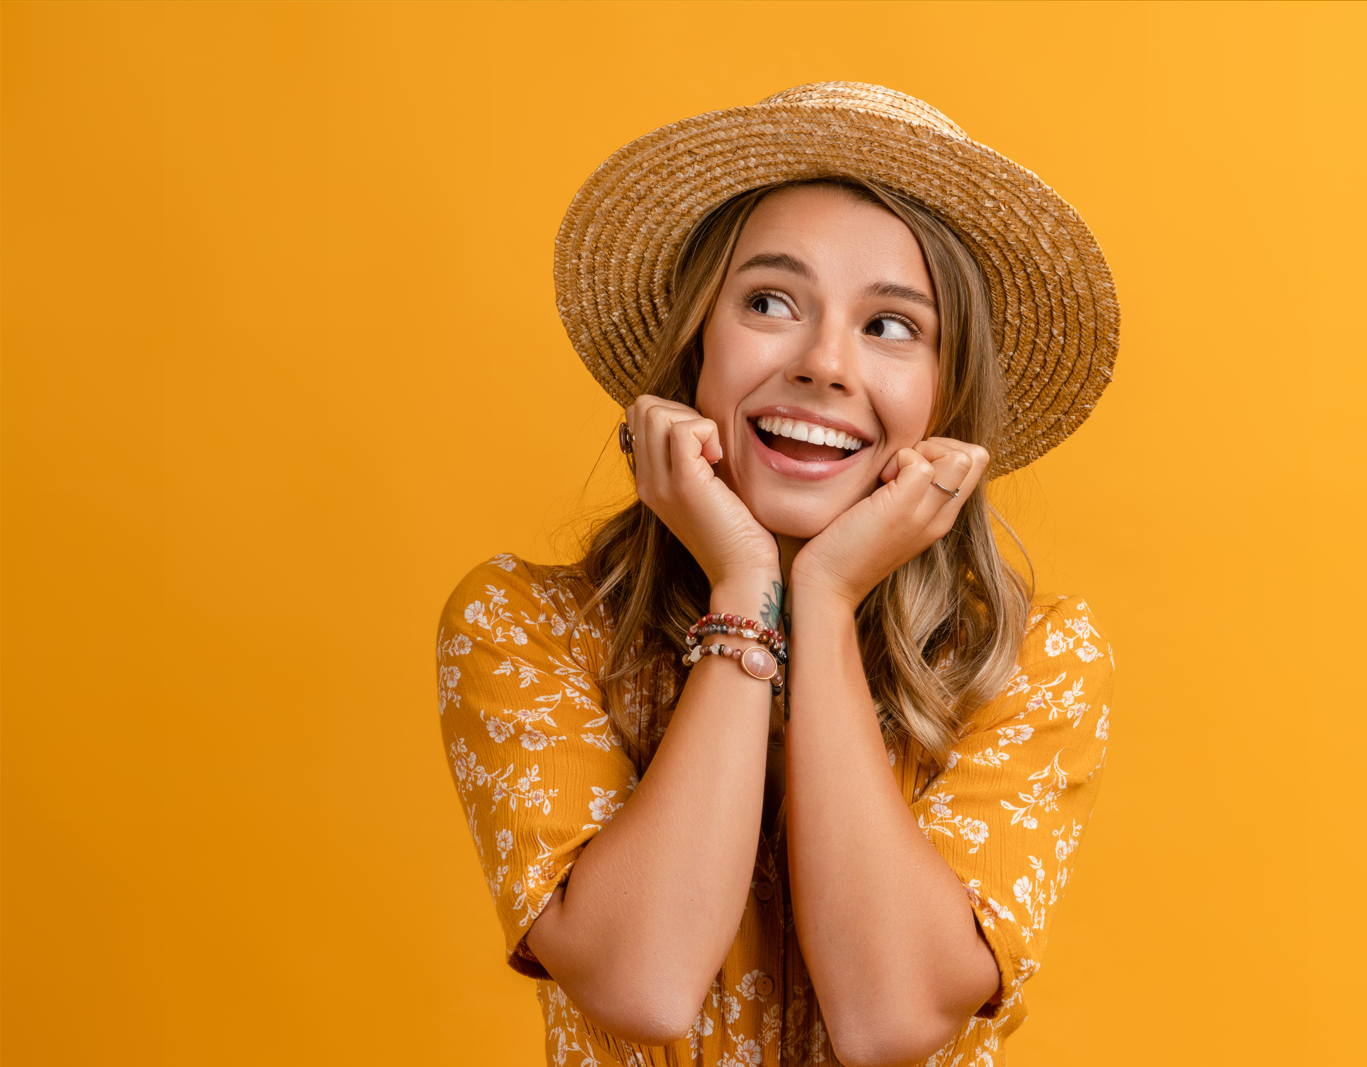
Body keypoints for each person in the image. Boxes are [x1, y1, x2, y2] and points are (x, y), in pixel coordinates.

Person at [437, 82, 1120, 1067]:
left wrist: (826, 599)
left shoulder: (1031, 661)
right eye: (769, 302)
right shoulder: (529, 624)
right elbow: (644, 982)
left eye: (892, 325)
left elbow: (888, 1018)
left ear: (946, 396)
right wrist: (746, 583)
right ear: (694, 352)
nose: (824, 365)